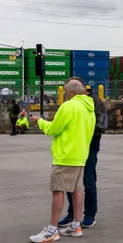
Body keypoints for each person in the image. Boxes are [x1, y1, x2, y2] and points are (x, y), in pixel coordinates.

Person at [29, 79, 95, 242]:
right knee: (77, 190)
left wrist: (39, 121)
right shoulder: (89, 108)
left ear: (72, 92)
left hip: (66, 155)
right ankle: (76, 225)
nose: (65, 96)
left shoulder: (69, 106)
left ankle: (51, 230)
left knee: (58, 190)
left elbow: (53, 129)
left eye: (66, 92)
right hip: (80, 155)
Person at [58, 81, 108, 228]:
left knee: (89, 182)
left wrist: (82, 131)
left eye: (68, 93)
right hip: (73, 148)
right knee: (70, 183)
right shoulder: (71, 103)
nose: (67, 96)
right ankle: (72, 214)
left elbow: (102, 125)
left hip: (90, 148)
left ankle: (90, 215)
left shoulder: (96, 103)